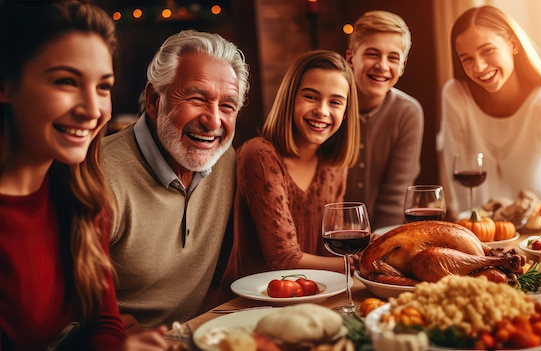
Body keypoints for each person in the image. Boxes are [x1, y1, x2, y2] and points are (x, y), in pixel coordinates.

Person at [0, 1, 167, 350]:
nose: (92, 110)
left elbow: (103, 321)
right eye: (66, 81)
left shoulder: (81, 194)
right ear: (7, 85)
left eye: (103, 87)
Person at [100, 29, 250, 329]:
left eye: (227, 106)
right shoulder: (100, 176)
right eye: (197, 98)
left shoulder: (227, 160)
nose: (213, 120)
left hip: (199, 334)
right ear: (154, 99)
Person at [221, 50, 360, 286]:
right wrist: (358, 263)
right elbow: (283, 258)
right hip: (255, 301)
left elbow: (330, 251)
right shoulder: (260, 154)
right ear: (290, 98)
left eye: (335, 102)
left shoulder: (333, 166)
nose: (322, 111)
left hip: (314, 293)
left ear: (345, 113)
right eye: (311, 97)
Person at [436, 5, 541, 218]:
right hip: (484, 229)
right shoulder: (455, 95)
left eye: (487, 50)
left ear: (513, 44)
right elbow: (457, 178)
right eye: (466, 58)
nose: (479, 67)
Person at [343, 10, 424, 230]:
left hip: (382, 236)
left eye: (393, 57)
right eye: (372, 54)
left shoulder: (408, 112)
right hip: (327, 237)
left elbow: (395, 196)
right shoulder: (329, 108)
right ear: (351, 58)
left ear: (403, 65)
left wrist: (377, 246)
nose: (382, 65)